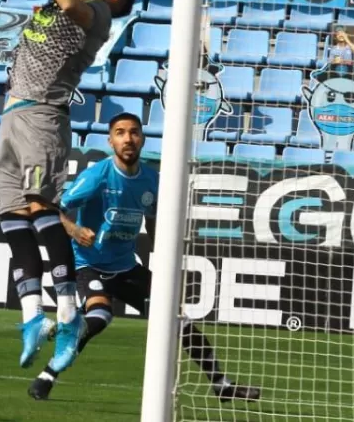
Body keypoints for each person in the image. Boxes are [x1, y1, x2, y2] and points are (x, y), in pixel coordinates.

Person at [0, 0, 175, 376]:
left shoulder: (91, 11)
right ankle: (33, 315)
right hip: (13, 112)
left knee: (39, 205)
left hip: (42, 115)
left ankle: (68, 311)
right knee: (11, 212)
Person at [28, 112, 262, 404]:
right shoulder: (97, 175)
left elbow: (153, 222)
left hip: (127, 268)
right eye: (120, 132)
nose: (128, 138)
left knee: (180, 321)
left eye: (134, 132)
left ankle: (222, 386)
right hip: (89, 265)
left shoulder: (152, 180)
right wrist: (74, 229)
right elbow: (52, 208)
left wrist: (164, 258)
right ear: (111, 140)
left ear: (142, 138)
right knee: (99, 317)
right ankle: (47, 375)